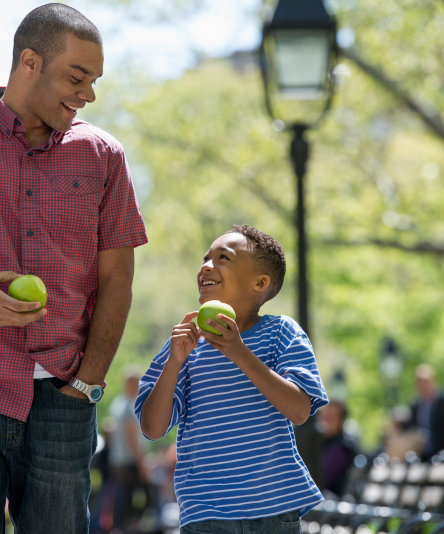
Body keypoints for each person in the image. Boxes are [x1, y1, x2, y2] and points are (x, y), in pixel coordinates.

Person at [0, 4, 148, 533]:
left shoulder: (103, 156)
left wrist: (86, 386)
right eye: (77, 76)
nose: (88, 94)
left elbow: (117, 281)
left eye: (94, 81)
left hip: (64, 400)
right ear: (30, 62)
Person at [135, 224, 329, 532]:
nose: (206, 266)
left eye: (222, 257)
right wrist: (173, 363)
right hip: (206, 515)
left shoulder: (281, 332)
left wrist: (238, 352)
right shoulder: (185, 346)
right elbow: (152, 428)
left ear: (260, 282)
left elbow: (299, 410)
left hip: (273, 510)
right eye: (205, 259)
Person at [108, 369, 157, 530]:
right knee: (147, 495)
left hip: (117, 458)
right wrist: (141, 463)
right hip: (130, 459)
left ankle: (122, 526)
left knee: (124, 495)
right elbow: (132, 438)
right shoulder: (130, 406)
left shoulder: (117, 403)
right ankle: (134, 526)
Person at [317, 400, 358, 498]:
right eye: (324, 415)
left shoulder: (340, 448)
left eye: (331, 417)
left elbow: (322, 480)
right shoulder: (321, 441)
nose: (326, 420)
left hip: (331, 500)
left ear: (341, 421)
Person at [408, 364, 444, 459]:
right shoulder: (416, 405)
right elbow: (412, 427)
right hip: (421, 452)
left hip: (440, 449)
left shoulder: (441, 401)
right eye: (420, 382)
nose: (423, 385)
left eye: (425, 381)